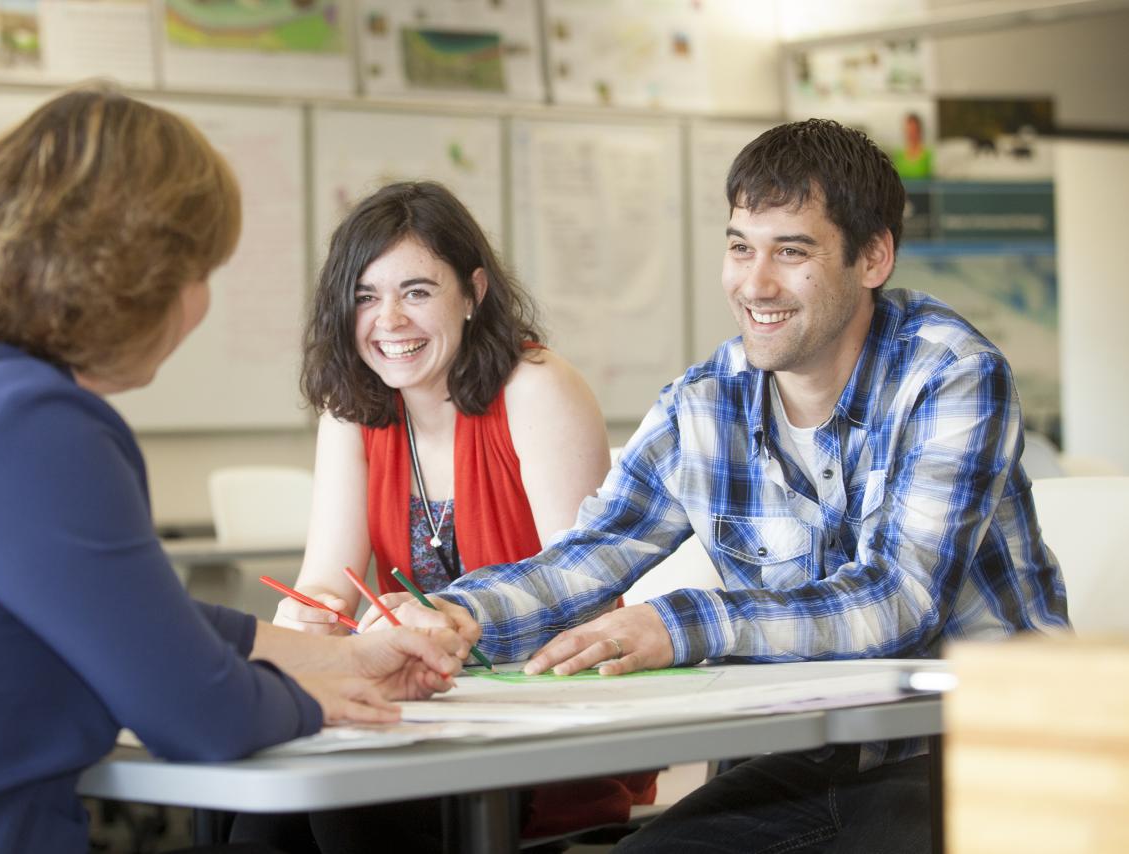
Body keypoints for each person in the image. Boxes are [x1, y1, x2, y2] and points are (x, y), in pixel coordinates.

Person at [0, 85, 471, 854]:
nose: (200, 302)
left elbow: (126, 615)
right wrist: (319, 694)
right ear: (139, 275)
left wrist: (334, 655)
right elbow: (200, 716)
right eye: (201, 271)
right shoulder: (31, 424)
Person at [372, 119, 1069, 852]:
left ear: (873, 257)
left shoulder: (951, 374)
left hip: (980, 754)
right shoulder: (705, 402)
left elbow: (897, 601)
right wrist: (456, 614)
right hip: (803, 761)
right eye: (740, 247)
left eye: (791, 252)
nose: (754, 283)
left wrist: (680, 623)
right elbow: (594, 552)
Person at [243, 181, 656, 848]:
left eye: (417, 292)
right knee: (265, 811)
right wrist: (310, 614)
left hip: (544, 726)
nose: (389, 321)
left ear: (474, 293)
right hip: (419, 713)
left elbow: (586, 591)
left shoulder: (535, 388)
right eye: (365, 297)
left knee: (348, 809)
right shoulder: (353, 407)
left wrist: (454, 624)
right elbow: (328, 578)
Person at [892, 111, 934, 179]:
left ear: (919, 130)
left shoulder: (928, 153)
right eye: (909, 130)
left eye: (914, 130)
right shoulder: (899, 154)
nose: (911, 134)